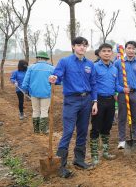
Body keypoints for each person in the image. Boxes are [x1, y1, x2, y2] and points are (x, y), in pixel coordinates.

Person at [49, 37, 97, 178]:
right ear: (73, 46)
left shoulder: (90, 64)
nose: (82, 47)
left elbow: (93, 83)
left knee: (82, 131)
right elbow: (57, 76)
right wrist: (53, 79)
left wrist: (94, 101)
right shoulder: (65, 62)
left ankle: (79, 160)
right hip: (71, 100)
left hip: (87, 100)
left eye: (84, 45)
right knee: (68, 131)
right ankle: (60, 165)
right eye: (79, 45)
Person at [114, 41, 136, 149]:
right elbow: (114, 80)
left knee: (135, 118)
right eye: (129, 48)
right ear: (125, 49)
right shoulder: (118, 63)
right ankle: (122, 140)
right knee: (122, 117)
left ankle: (134, 138)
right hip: (123, 93)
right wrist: (120, 89)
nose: (131, 50)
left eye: (133, 48)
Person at [89, 43, 118, 166]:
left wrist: (125, 89)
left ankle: (105, 152)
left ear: (112, 53)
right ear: (99, 53)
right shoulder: (94, 67)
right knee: (96, 128)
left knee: (107, 127)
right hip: (98, 101)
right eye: (104, 51)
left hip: (111, 101)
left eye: (109, 51)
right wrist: (94, 101)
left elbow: (116, 86)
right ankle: (94, 155)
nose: (107, 53)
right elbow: (92, 85)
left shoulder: (114, 68)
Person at [21, 51, 54, 134]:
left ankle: (36, 130)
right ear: (46, 59)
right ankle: (43, 130)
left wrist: (26, 90)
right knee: (44, 110)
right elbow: (57, 81)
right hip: (46, 93)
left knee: (35, 110)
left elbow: (25, 82)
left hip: (34, 93)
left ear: (38, 58)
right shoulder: (51, 68)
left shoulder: (31, 67)